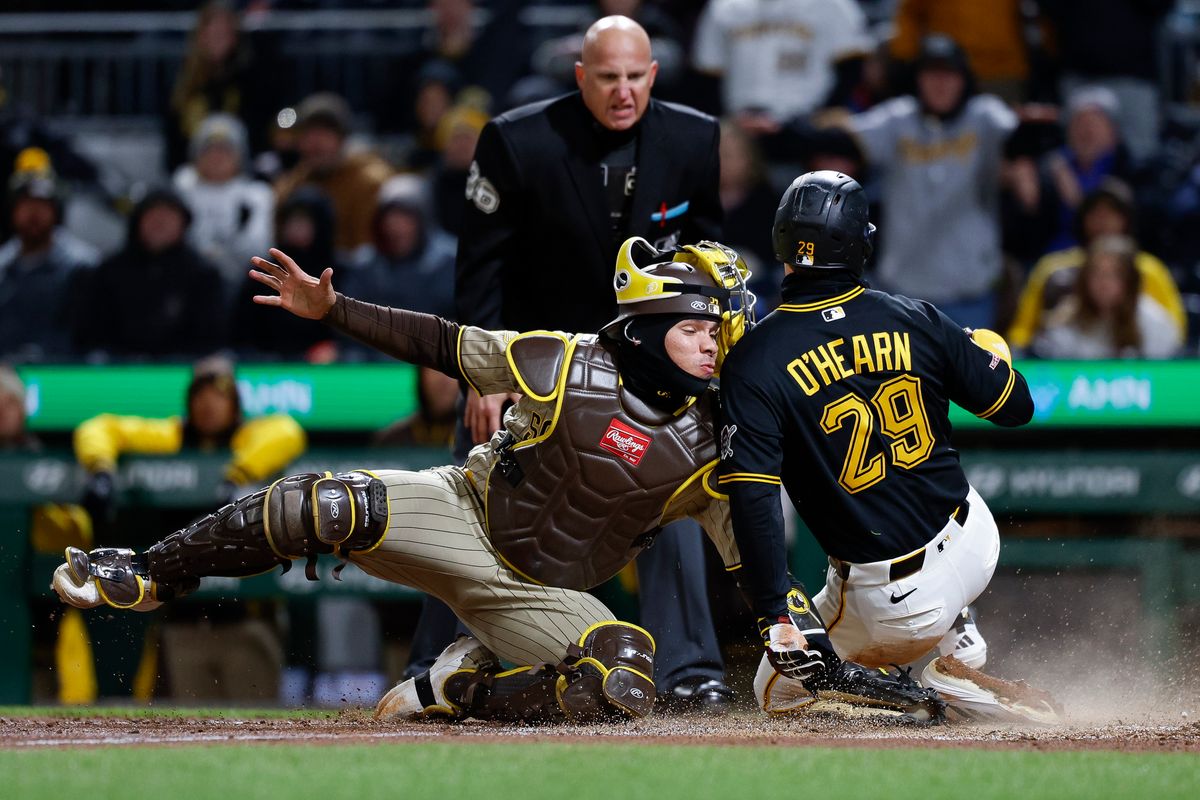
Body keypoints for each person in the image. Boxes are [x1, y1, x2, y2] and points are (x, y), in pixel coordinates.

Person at [51, 239, 941, 724]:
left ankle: (461, 688)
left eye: (724, 326)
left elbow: (751, 565)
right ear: (656, 318)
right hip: (464, 513)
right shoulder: (558, 360)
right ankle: (147, 571)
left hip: (545, 592)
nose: (720, 339)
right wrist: (335, 311)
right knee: (320, 500)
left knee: (622, 676)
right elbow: (439, 342)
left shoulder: (722, 444)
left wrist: (799, 638)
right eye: (704, 323)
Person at [451, 15, 731, 710]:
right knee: (480, 496)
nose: (623, 91)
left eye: (635, 77)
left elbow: (709, 264)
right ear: (581, 75)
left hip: (648, 369)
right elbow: (480, 272)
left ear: (654, 75)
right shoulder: (518, 141)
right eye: (608, 77)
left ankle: (692, 674)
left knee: (673, 494)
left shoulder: (694, 138)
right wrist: (480, 377)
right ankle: (444, 661)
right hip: (541, 367)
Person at [719, 171, 1061, 723]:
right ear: (861, 244)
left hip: (891, 600)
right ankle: (958, 635)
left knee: (775, 694)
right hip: (974, 540)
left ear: (782, 244)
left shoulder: (755, 361)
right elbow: (1015, 407)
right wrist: (989, 354)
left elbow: (754, 505)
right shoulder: (916, 316)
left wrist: (773, 610)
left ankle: (931, 697)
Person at [72, 356, 306, 703]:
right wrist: (101, 469)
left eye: (219, 395)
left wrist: (237, 476)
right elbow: (98, 427)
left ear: (235, 403)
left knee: (258, 724)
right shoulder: (173, 436)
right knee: (190, 724)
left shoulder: (249, 438)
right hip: (185, 620)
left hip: (247, 620)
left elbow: (288, 431)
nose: (208, 404)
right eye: (200, 395)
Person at [840, 34, 1017, 330]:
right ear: (917, 79)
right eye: (931, 74)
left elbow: (1020, 138)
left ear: (964, 79)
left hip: (970, 295)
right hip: (903, 294)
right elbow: (845, 139)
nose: (940, 83)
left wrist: (1031, 132)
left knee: (970, 376)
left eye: (949, 74)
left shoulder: (983, 115)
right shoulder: (898, 118)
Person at [1008, 179, 1186, 352]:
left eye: (1111, 213)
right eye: (1096, 213)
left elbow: (1176, 338)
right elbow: (1023, 334)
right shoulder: (1053, 271)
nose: (1103, 220)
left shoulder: (1150, 271)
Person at [71, 188, 227, 360]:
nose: (160, 223)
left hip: (181, 369)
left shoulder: (204, 274)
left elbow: (210, 339)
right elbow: (90, 332)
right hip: (117, 369)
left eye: (169, 216)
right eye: (152, 215)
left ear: (184, 224)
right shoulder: (108, 271)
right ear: (137, 222)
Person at [272, 92, 394, 258]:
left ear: (342, 139)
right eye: (308, 134)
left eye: (324, 133)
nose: (315, 143)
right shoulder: (293, 184)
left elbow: (369, 252)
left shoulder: (369, 181)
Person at [0, 164, 98, 362]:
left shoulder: (83, 266)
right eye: (26, 206)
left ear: (57, 212)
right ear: (12, 212)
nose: (33, 214)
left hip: (65, 373)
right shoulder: (2, 264)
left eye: (42, 207)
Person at [1030, 234, 1181, 359]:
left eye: (1113, 275)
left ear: (1130, 281)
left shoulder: (1155, 321)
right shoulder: (1063, 320)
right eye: (1096, 273)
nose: (1103, 283)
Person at [172, 113, 274, 294]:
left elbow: (260, 246)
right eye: (209, 149)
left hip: (242, 283)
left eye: (225, 150)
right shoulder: (182, 189)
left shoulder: (256, 195)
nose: (217, 157)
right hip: (187, 282)